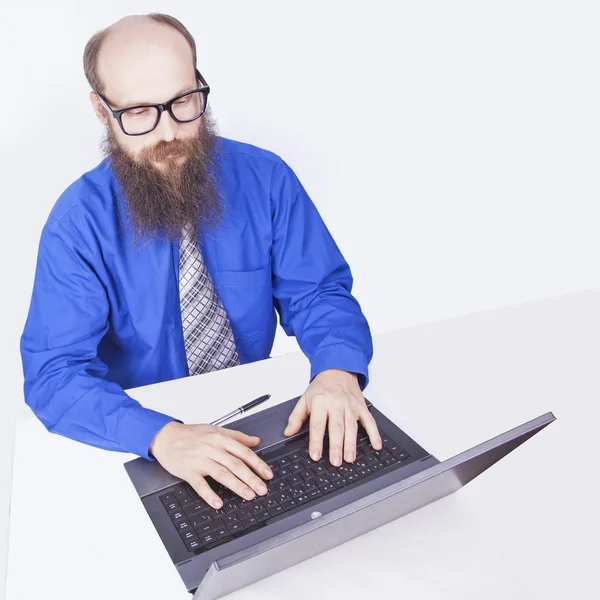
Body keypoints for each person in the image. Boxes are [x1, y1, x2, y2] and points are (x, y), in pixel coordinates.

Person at [19, 13, 380, 510]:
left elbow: (317, 292)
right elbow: (54, 374)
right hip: (141, 440)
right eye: (141, 112)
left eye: (183, 101)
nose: (170, 132)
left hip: (259, 420)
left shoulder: (266, 178)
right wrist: (161, 436)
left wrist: (337, 370)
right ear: (102, 112)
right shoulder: (77, 224)